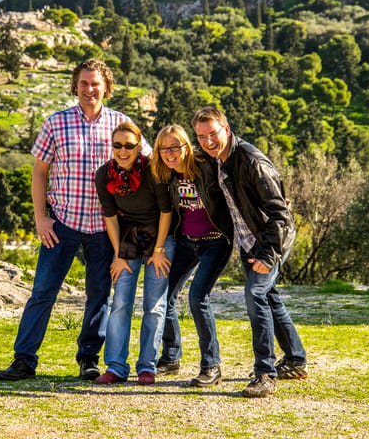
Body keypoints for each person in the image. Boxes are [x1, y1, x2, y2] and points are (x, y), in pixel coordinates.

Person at [0, 59, 147, 382]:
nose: (89, 89)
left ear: (106, 86)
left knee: (98, 295)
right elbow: (39, 172)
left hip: (105, 229)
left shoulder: (121, 124)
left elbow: (147, 162)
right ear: (75, 86)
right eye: (83, 83)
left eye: (95, 84)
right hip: (62, 224)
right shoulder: (56, 123)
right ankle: (24, 360)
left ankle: (88, 359)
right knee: (42, 292)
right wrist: (41, 218)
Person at [190, 106, 307, 398]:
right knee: (268, 296)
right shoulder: (214, 157)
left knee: (254, 293)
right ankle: (295, 359)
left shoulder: (252, 162)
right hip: (247, 240)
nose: (207, 141)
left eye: (213, 134)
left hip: (270, 239)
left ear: (226, 130)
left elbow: (280, 216)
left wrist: (268, 256)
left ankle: (265, 373)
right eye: (201, 137)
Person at [151, 124, 234, 387]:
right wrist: (159, 248)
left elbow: (239, 183)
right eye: (164, 148)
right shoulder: (166, 176)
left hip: (216, 241)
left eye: (175, 146)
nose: (170, 153)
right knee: (166, 295)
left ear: (187, 146)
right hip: (187, 242)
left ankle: (211, 366)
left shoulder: (207, 166)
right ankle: (171, 356)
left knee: (198, 297)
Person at [93, 122, 174, 385]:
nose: (123, 150)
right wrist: (118, 255)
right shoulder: (104, 174)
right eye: (117, 145)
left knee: (154, 304)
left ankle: (147, 366)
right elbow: (111, 217)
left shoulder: (153, 170)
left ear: (139, 146)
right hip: (127, 237)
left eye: (129, 145)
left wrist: (160, 250)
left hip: (159, 235)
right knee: (120, 302)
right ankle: (116, 366)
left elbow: (166, 211)